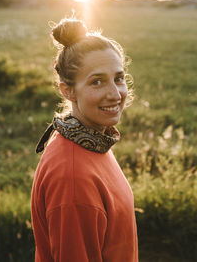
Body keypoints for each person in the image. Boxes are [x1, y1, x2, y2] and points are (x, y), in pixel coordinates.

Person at [30, 17, 139, 262]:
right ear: (67, 90)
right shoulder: (72, 178)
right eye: (97, 82)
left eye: (119, 78)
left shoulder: (91, 141)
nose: (115, 94)